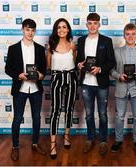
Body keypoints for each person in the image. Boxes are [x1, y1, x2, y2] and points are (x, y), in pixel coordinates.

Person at [5, 18, 46, 161]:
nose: (30, 32)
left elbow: (43, 71)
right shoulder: (13, 48)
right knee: (17, 119)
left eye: (33, 30)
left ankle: (35, 143)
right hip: (20, 89)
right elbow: (7, 69)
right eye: (28, 29)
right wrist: (19, 75)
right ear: (22, 29)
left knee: (36, 118)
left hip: (35, 89)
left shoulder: (40, 49)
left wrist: (40, 75)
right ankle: (15, 147)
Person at [76, 13, 116, 156]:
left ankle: (103, 141)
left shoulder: (107, 41)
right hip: (86, 83)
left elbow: (112, 62)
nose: (92, 26)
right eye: (90, 23)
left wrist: (100, 69)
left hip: (101, 83)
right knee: (88, 114)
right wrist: (79, 65)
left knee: (103, 114)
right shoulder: (81, 41)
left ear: (99, 25)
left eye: (95, 23)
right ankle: (90, 139)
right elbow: (79, 60)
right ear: (86, 25)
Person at [110, 23, 136, 156]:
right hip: (122, 87)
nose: (130, 36)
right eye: (128, 34)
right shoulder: (116, 51)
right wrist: (118, 75)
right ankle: (118, 140)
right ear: (124, 35)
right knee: (119, 117)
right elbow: (111, 69)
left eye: (133, 34)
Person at [47, 18, 78, 159]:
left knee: (70, 108)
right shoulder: (50, 47)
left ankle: (66, 136)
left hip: (71, 77)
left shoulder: (72, 46)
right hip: (56, 77)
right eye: (59, 27)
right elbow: (48, 67)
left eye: (64, 27)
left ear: (68, 29)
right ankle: (53, 144)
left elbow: (75, 62)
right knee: (55, 110)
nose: (61, 29)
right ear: (56, 29)